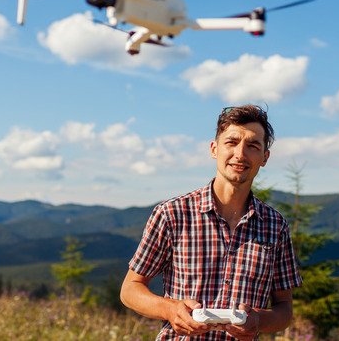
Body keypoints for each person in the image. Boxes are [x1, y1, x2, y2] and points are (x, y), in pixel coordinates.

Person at [120, 105, 302, 341]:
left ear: (264, 158)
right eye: (232, 142)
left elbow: (284, 309)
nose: (240, 154)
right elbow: (130, 289)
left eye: (253, 146)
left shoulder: (276, 226)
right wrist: (171, 309)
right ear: (214, 149)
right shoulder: (172, 214)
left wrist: (258, 320)